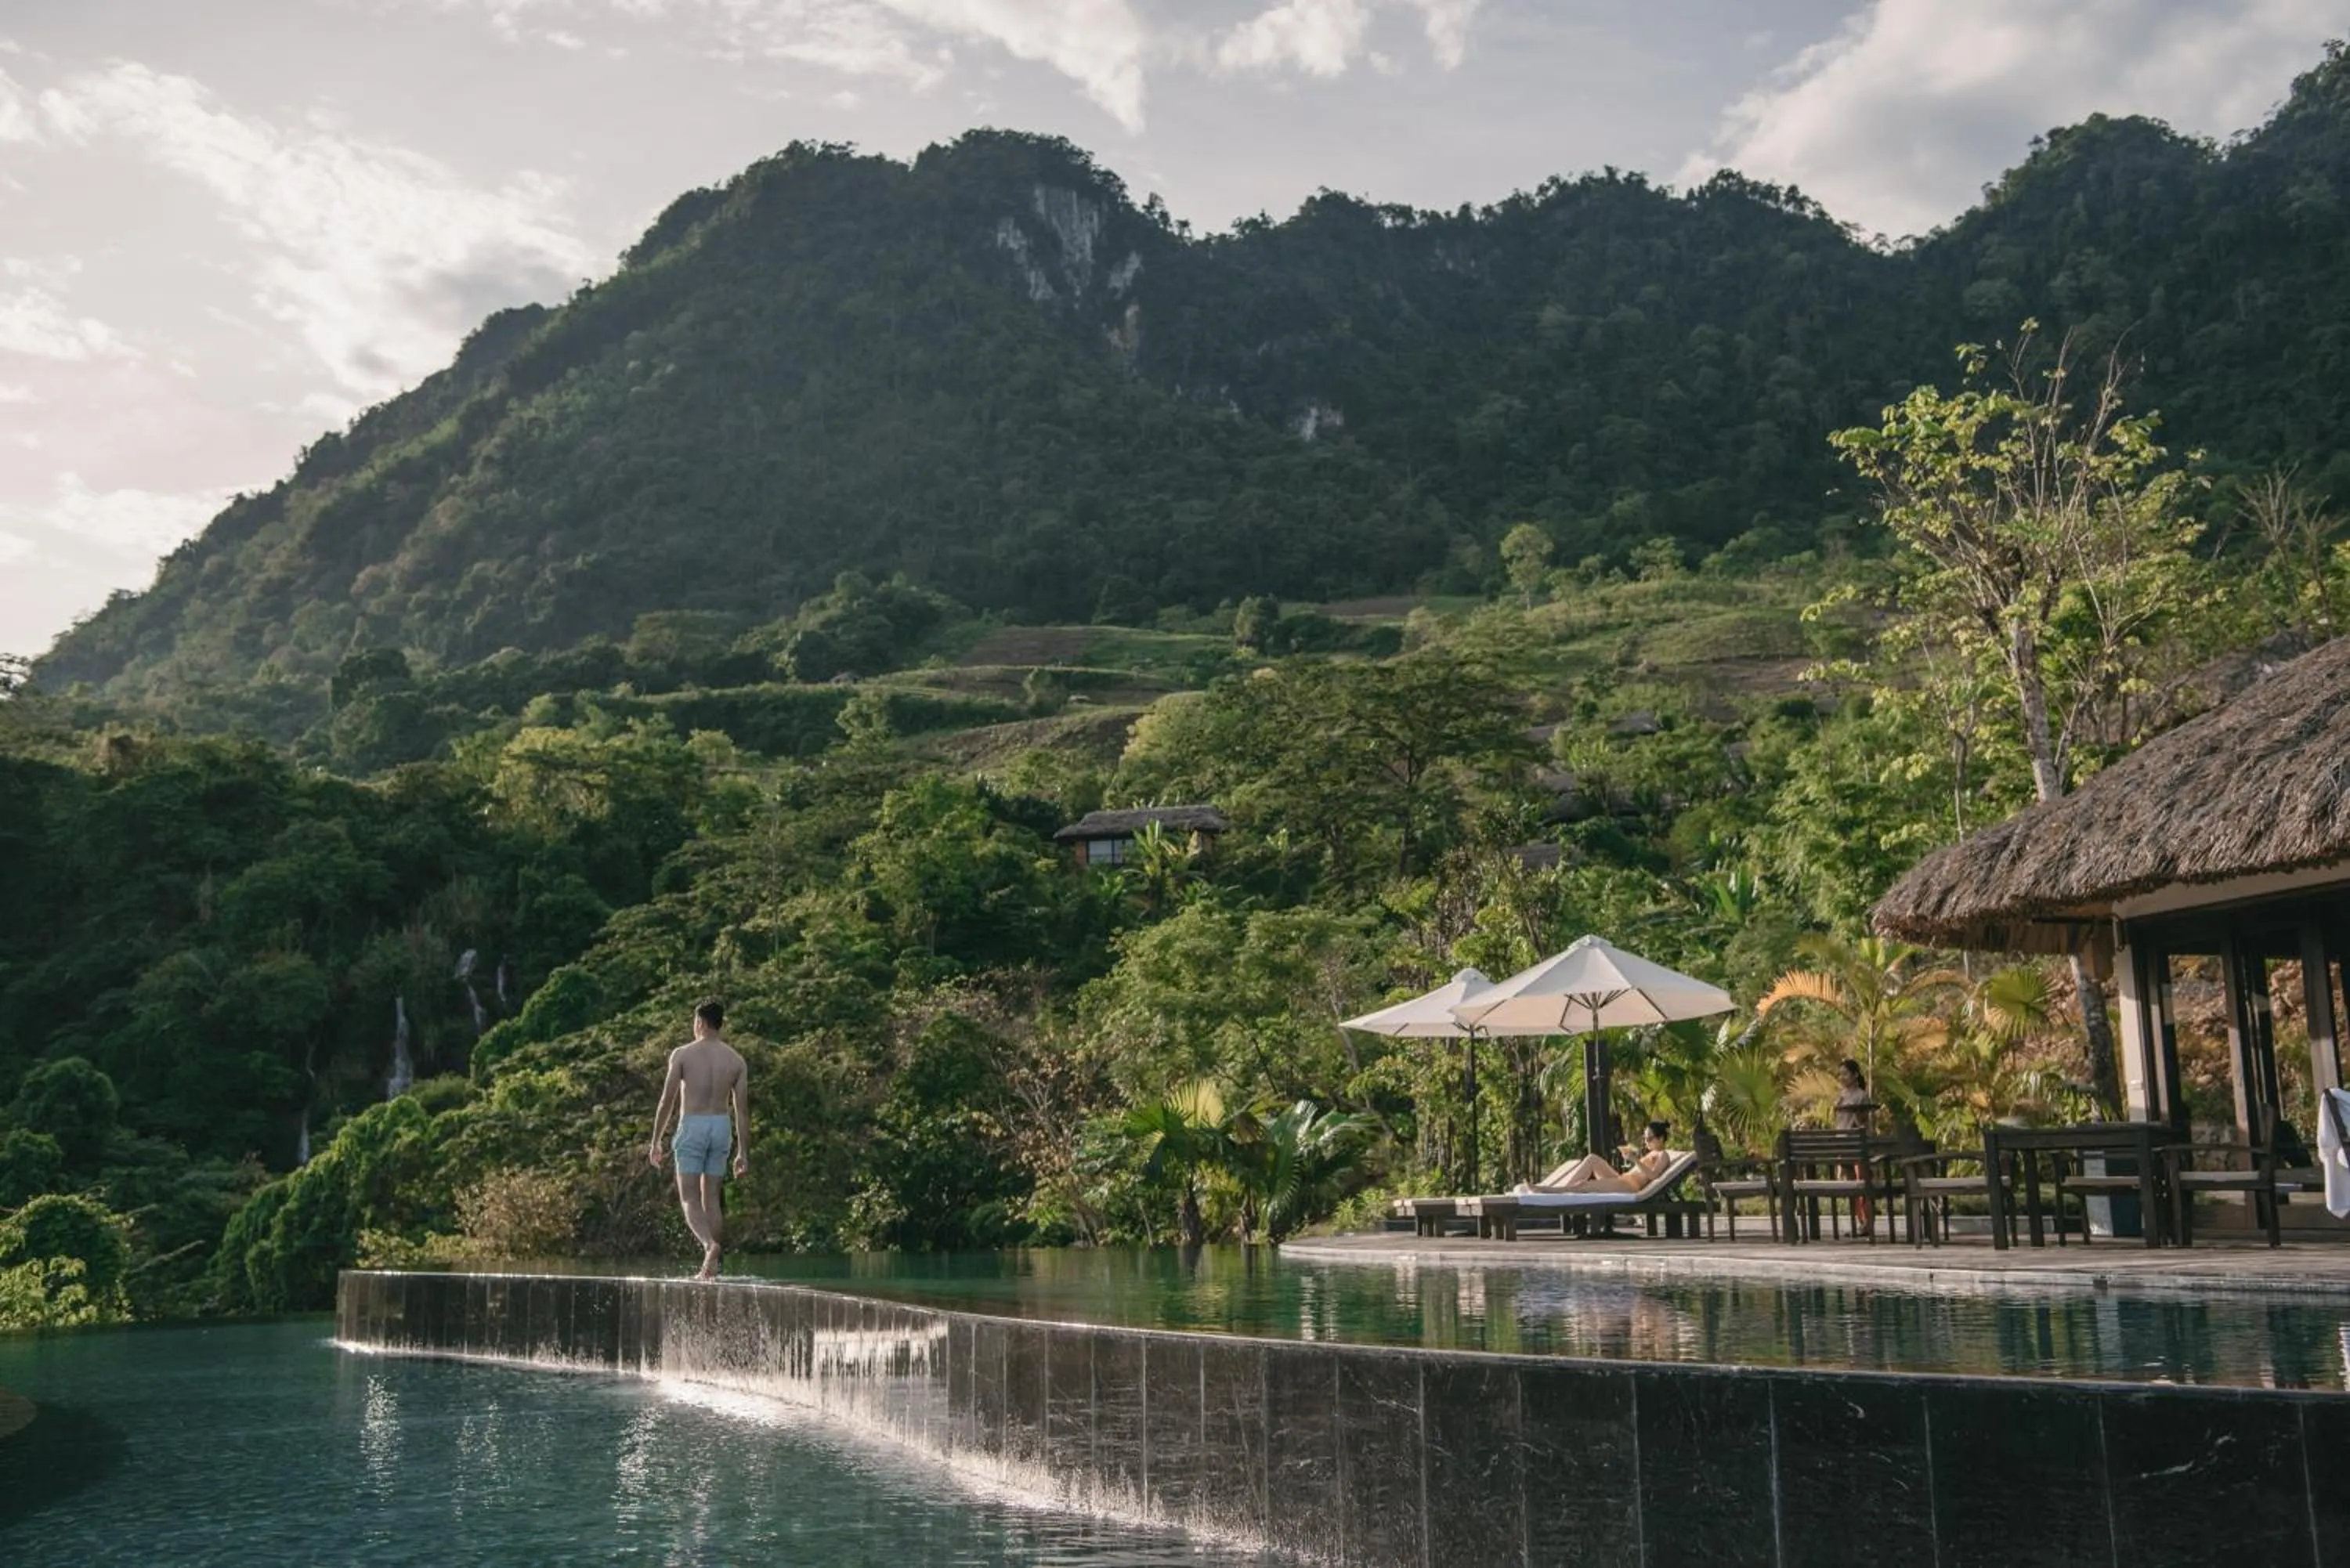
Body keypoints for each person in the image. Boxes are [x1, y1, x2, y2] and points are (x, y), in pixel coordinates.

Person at [647, 999, 749, 1281]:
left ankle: (709, 1246)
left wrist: (656, 1140)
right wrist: (743, 1152)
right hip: (720, 1125)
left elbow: (667, 1100)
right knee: (711, 1199)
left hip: (692, 1124)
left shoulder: (682, 1054)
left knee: (689, 1197)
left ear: (700, 1023)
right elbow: (742, 1111)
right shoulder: (736, 1060)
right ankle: (712, 1269)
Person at [1520, 1121, 1676, 1195]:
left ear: (1661, 1138)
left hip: (1629, 1187)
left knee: (1584, 1186)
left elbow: (1654, 1175)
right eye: (1645, 1139)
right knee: (1592, 1159)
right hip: (1623, 1179)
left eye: (1650, 1139)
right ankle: (1564, 1189)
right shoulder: (1650, 1154)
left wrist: (1635, 1160)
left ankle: (1551, 1191)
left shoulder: (1663, 1155)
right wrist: (1630, 1158)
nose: (1646, 1142)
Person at [1832, 1058, 1876, 1230]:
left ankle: (1868, 1222)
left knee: (1862, 1182)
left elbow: (1863, 1122)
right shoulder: (1841, 1097)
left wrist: (1857, 1115)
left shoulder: (1861, 1096)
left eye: (1845, 1074)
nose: (1842, 1077)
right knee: (1849, 1184)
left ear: (1855, 1075)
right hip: (1843, 1146)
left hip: (1857, 1146)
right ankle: (1860, 1221)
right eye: (1840, 1074)